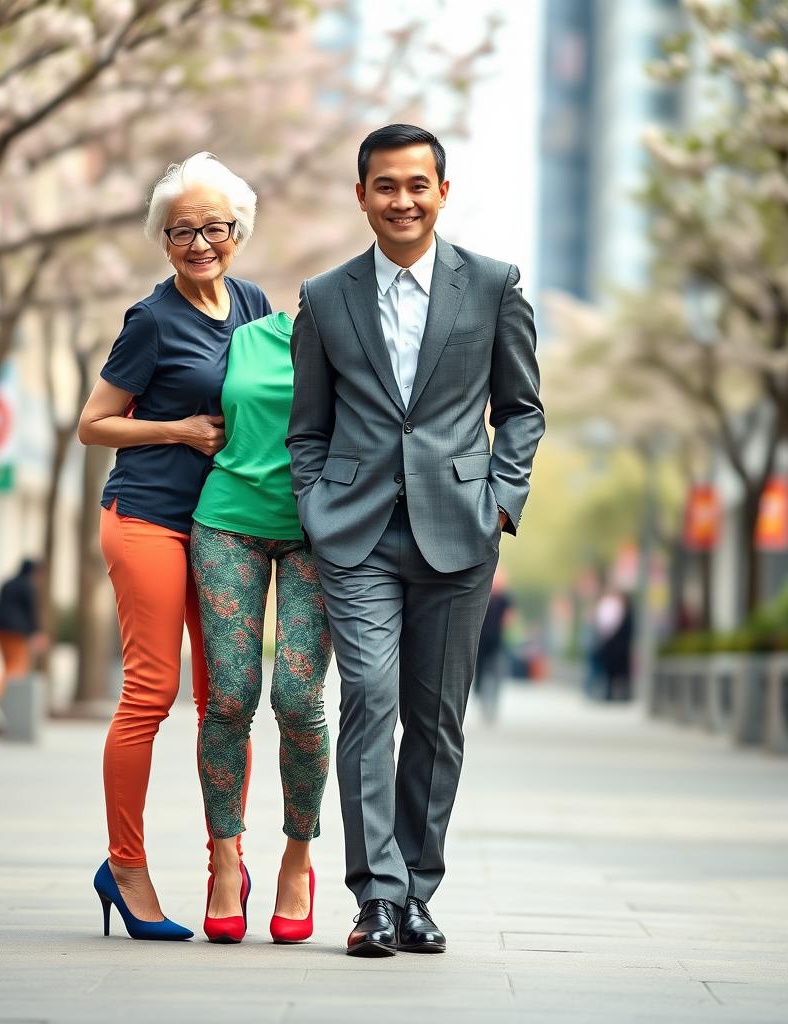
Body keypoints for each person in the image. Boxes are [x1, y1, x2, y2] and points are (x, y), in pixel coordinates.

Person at [287, 124, 545, 957]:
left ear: (442, 191)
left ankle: (419, 892)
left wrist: (501, 502)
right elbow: (307, 429)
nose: (402, 200)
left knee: (437, 722)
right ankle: (377, 899)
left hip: (459, 534)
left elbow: (523, 408)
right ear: (361, 195)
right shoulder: (325, 299)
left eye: (417, 185)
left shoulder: (495, 285)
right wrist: (317, 505)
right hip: (356, 534)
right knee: (369, 698)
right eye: (385, 186)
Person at [78, 152, 270, 941]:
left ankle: (228, 862)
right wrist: (178, 429)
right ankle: (125, 864)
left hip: (226, 527)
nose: (199, 243)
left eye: (214, 228)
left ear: (237, 233)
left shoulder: (254, 305)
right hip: (150, 519)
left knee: (227, 698)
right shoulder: (150, 321)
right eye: (181, 230)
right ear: (163, 239)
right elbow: (94, 422)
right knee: (151, 696)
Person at [190, 309, 333, 945]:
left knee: (298, 699)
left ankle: (297, 861)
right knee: (228, 695)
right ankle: (225, 862)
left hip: (319, 532)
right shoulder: (245, 336)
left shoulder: (365, 341)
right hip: (227, 522)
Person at [0, 558, 46, 730]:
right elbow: (31, 612)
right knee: (16, 668)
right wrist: (36, 634)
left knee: (8, 665)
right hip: (16, 632)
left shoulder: (6, 583)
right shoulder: (27, 586)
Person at [473, 568, 513, 723]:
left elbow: (509, 618)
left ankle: (492, 705)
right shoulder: (485, 594)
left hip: (497, 642)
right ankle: (483, 702)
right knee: (481, 674)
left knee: (496, 674)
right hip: (481, 642)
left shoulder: (505, 598)